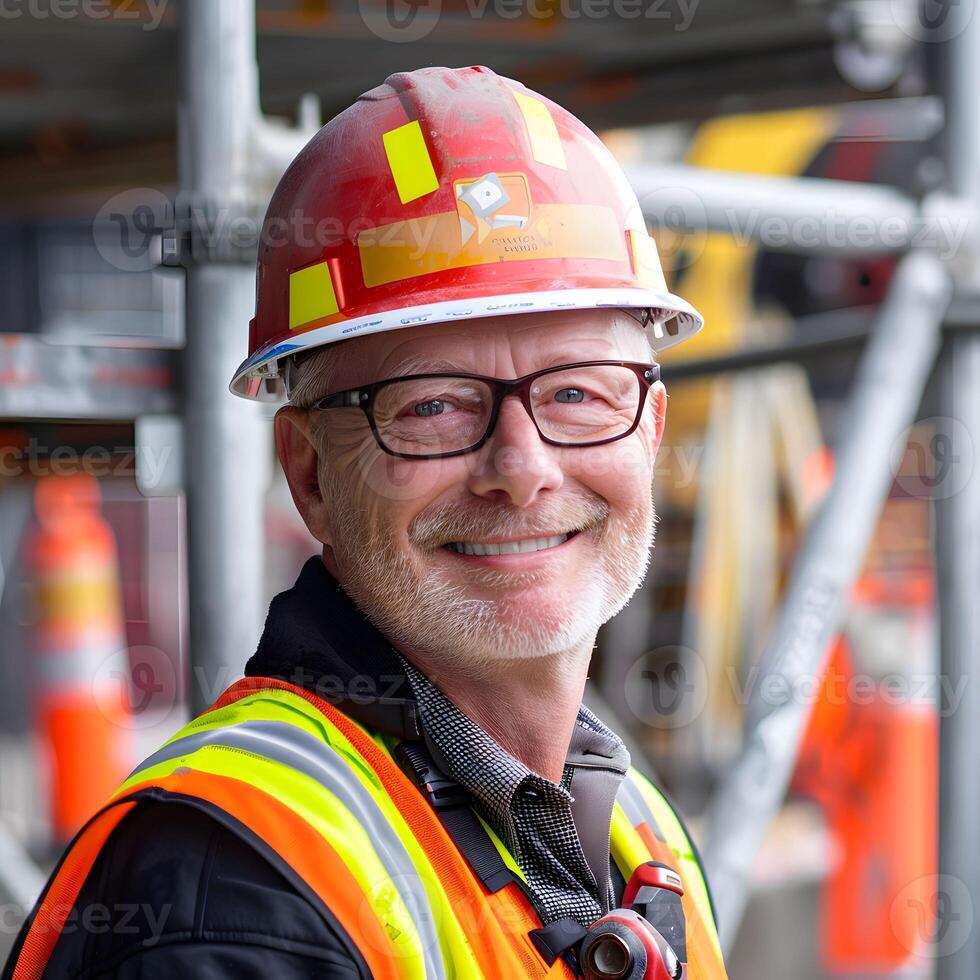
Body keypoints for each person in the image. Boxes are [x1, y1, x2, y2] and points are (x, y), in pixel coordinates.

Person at [4, 66, 728, 979]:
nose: (522, 469)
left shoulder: (634, 829)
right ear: (310, 473)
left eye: (580, 392)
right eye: (433, 407)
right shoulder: (231, 893)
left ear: (650, 431)